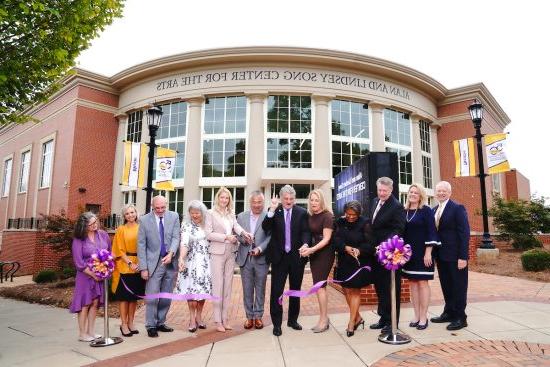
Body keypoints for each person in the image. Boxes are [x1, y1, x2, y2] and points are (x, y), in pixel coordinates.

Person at [262, 184, 311, 337]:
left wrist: (305, 243)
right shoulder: (274, 211)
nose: (288, 201)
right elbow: (265, 227)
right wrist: (270, 210)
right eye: (286, 198)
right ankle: (277, 324)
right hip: (279, 258)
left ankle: (292, 320)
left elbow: (305, 231)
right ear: (281, 199)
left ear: (294, 199)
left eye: (291, 198)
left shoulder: (302, 212)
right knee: (277, 291)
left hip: (297, 257)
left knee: (295, 290)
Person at [205, 187, 252, 332]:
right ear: (218, 198)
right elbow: (208, 234)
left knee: (228, 287)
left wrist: (245, 233)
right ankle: (217, 320)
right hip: (217, 253)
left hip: (231, 252)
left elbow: (236, 227)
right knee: (218, 286)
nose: (224, 200)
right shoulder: (210, 213)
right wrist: (226, 237)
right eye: (222, 197)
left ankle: (225, 319)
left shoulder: (231, 214)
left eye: (227, 198)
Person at [137, 195, 181, 338]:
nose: (161, 210)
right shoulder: (144, 220)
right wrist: (143, 268)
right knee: (152, 296)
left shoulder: (174, 216)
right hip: (153, 265)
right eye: (157, 208)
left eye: (163, 207)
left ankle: (160, 322)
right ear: (152, 206)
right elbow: (141, 245)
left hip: (170, 262)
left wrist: (172, 253)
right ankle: (151, 325)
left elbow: (176, 237)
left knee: (166, 296)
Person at [430, 181, 470, 331]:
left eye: (444, 191)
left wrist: (463, 257)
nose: (441, 193)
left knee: (458, 286)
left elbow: (464, 233)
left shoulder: (457, 208)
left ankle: (461, 317)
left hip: (456, 256)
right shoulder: (434, 210)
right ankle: (449, 313)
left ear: (449, 192)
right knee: (446, 286)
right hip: (441, 256)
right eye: (438, 191)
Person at [369, 176, 406, 334]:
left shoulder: (396, 206)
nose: (382, 193)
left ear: (391, 190)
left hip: (390, 253)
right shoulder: (374, 201)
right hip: (376, 254)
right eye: (380, 190)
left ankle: (393, 322)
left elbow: (398, 229)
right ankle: (383, 318)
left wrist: (384, 246)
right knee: (380, 287)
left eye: (385, 190)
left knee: (392, 288)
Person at [332, 200, 374, 337]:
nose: (350, 217)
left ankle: (351, 323)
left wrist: (359, 250)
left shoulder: (365, 223)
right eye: (348, 214)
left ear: (358, 213)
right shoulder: (340, 222)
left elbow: (370, 245)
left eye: (353, 215)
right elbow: (335, 240)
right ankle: (358, 317)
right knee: (346, 290)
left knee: (355, 291)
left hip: (358, 263)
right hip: (344, 261)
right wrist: (345, 247)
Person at [401, 184, 439, 330]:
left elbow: (432, 231)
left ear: (421, 195)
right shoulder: (404, 211)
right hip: (408, 254)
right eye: (411, 192)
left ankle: (424, 317)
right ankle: (416, 315)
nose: (413, 194)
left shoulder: (426, 210)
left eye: (416, 192)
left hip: (423, 254)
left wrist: (428, 252)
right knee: (413, 284)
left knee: (423, 283)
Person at [69, 212, 111, 342]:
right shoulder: (79, 239)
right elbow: (78, 261)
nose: (95, 225)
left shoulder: (102, 234)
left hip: (100, 275)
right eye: (91, 223)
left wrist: (105, 268)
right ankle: (82, 334)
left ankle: (91, 331)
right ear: (84, 225)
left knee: (95, 303)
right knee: (85, 303)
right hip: (85, 275)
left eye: (96, 222)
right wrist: (93, 274)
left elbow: (108, 251)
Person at [300, 189, 334, 333]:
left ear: (321, 201)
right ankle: (323, 318)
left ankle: (324, 320)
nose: (314, 202)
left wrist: (312, 250)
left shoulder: (327, 216)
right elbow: (308, 234)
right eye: (312, 200)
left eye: (316, 200)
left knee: (320, 286)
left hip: (325, 253)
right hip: (314, 253)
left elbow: (326, 239)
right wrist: (306, 246)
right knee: (319, 287)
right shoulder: (311, 216)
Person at [236, 191, 271, 330]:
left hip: (261, 259)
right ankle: (249, 317)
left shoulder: (268, 217)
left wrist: (260, 248)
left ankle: (258, 316)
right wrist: (244, 239)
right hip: (245, 258)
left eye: (259, 202)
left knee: (261, 289)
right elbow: (237, 235)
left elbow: (270, 237)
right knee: (247, 290)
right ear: (250, 202)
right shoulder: (241, 216)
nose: (257, 205)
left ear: (263, 202)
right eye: (254, 202)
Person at [175, 200, 212, 333]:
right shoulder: (186, 226)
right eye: (192, 213)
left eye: (197, 213)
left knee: (202, 291)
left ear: (202, 213)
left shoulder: (207, 225)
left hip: (205, 263)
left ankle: (199, 317)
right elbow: (184, 244)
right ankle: (191, 318)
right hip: (190, 263)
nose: (195, 215)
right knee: (190, 291)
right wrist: (181, 258)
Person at [111, 204, 145, 337]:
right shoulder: (121, 229)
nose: (130, 215)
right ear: (124, 216)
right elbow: (119, 250)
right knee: (124, 298)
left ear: (136, 213)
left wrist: (140, 264)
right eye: (127, 213)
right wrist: (130, 263)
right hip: (125, 266)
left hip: (139, 265)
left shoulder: (142, 228)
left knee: (133, 298)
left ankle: (131, 322)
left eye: (132, 212)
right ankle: (123, 324)